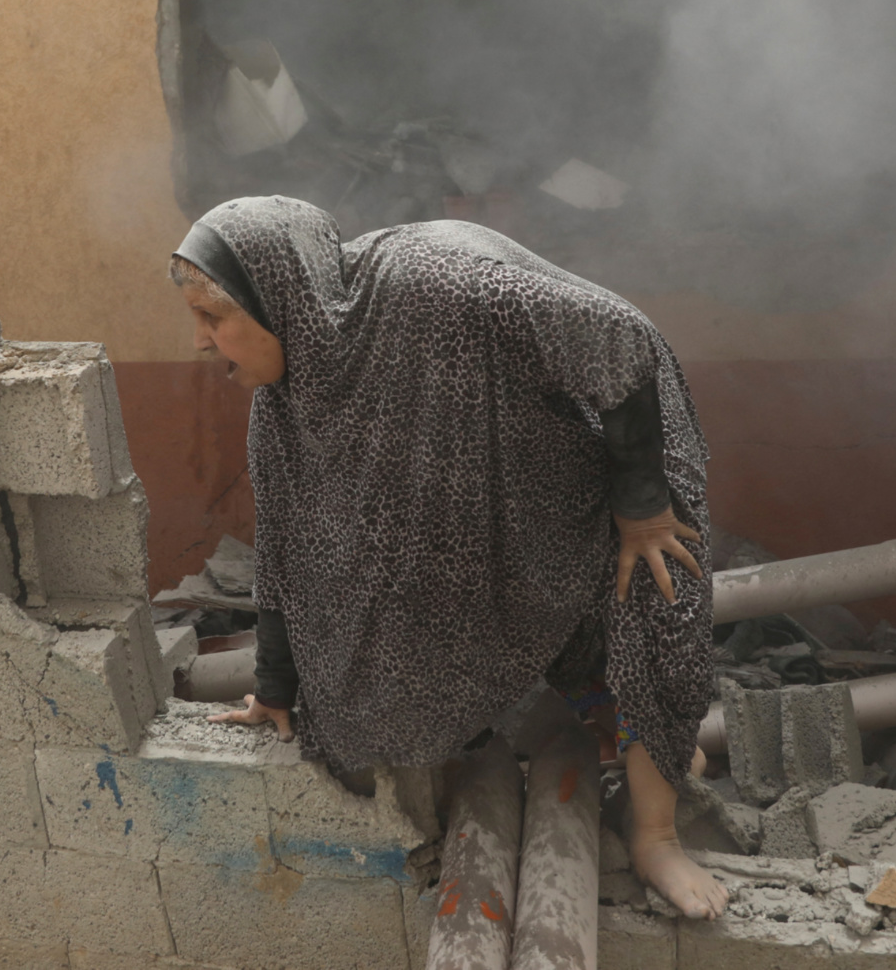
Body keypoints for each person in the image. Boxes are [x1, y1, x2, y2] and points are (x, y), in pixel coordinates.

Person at [171, 195, 727, 919]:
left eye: (214, 318)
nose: (199, 342)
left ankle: (655, 832)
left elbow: (620, 340)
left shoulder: (434, 285)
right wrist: (275, 691)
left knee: (651, 577)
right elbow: (284, 554)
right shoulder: (283, 411)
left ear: (280, 296)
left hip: (607, 450)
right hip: (489, 487)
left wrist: (643, 502)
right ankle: (638, 730)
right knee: (463, 593)